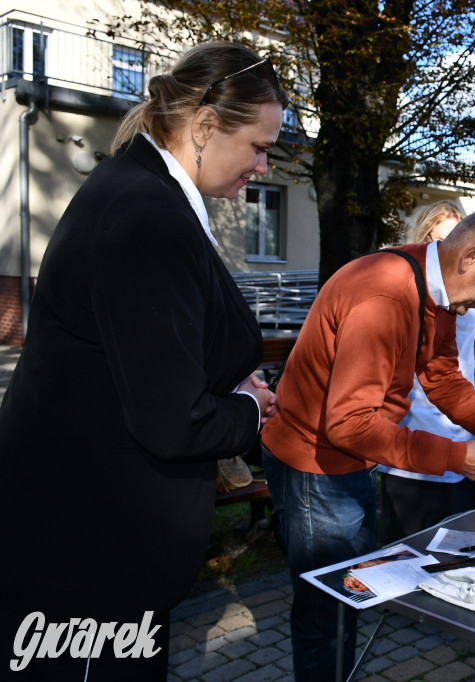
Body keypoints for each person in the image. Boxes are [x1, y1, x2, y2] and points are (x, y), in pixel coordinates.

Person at [0, 42, 286, 680]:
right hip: (91, 548)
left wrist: (223, 373)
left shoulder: (139, 189)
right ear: (206, 125)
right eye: (260, 147)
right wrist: (249, 410)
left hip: (85, 533)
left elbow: (140, 349)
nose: (263, 167)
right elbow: (172, 420)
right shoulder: (147, 217)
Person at [261, 206, 475, 680]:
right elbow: (348, 424)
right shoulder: (385, 295)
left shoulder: (439, 290)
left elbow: (443, 377)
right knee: (329, 613)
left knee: (346, 602)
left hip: (346, 460)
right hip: (314, 465)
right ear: (470, 257)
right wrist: (455, 456)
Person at [378, 200, 475, 543]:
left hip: (457, 406)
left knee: (457, 536)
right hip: (416, 412)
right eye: (441, 241)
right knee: (412, 539)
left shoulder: (465, 290)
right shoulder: (409, 289)